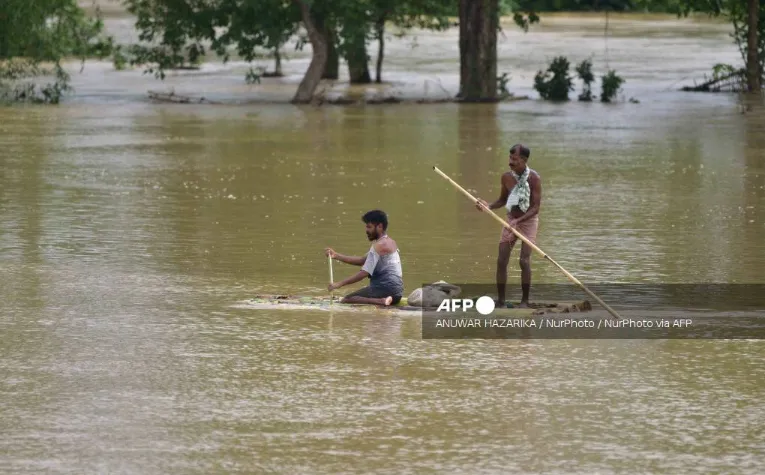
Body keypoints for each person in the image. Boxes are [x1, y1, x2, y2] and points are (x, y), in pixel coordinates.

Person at [476, 144, 542, 308]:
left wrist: (518, 222)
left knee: (524, 261)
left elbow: (535, 208)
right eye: (510, 158)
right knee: (501, 260)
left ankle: (525, 302)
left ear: (524, 160)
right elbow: (503, 200)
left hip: (528, 222)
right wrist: (488, 206)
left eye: (515, 159)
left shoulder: (534, 178)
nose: (511, 162)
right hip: (511, 219)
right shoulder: (506, 177)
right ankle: (501, 301)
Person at [324, 210, 404, 306]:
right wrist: (336, 256)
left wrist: (339, 284)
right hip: (397, 292)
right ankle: (385, 300)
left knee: (347, 299)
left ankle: (381, 301)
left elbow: (364, 273)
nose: (366, 230)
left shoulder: (379, 246)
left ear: (380, 226)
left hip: (384, 289)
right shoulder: (390, 242)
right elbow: (362, 260)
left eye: (369, 227)